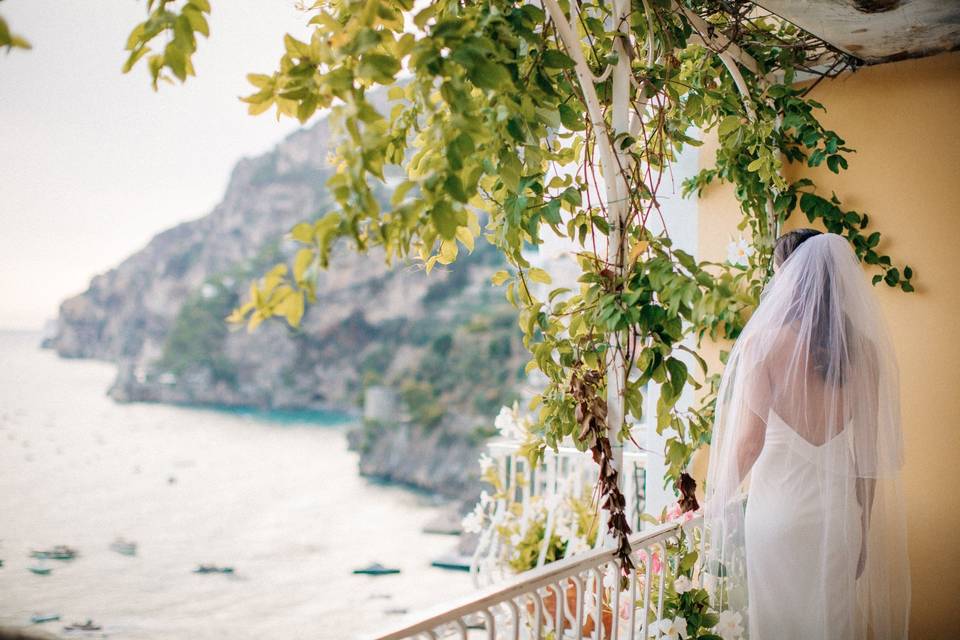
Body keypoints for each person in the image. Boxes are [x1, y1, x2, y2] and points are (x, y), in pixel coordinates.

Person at [703, 229, 910, 639]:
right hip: (839, 524)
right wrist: (863, 529)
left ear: (789, 278)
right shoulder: (864, 352)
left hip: (777, 520)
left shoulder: (761, 345)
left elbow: (748, 444)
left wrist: (713, 504)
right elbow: (867, 458)